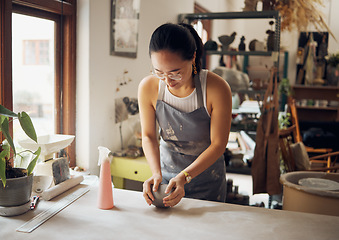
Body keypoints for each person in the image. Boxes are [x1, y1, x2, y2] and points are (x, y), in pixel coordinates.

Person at [138, 22, 232, 207]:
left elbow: (219, 144)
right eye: (159, 72)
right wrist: (156, 173)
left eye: (175, 73)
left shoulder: (216, 88)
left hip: (208, 180)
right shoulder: (148, 88)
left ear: (193, 57)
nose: (167, 81)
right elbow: (148, 136)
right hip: (166, 181)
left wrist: (185, 176)